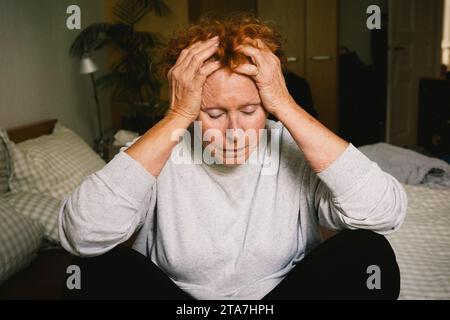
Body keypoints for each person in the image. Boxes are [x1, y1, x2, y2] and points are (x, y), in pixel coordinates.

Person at [59, 15, 407, 300]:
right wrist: (176, 116)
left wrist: (286, 107)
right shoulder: (161, 147)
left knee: (368, 256)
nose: (233, 129)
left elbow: (386, 213)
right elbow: (81, 234)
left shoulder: (291, 145)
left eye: (249, 109)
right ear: (192, 109)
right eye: (213, 113)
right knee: (89, 270)